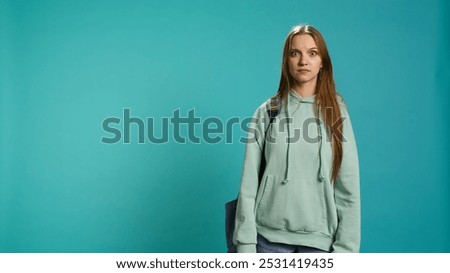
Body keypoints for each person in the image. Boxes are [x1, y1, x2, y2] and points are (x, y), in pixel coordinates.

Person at [233, 24, 360, 253]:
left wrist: (347, 251)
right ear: (286, 61)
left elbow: (348, 188)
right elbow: (249, 184)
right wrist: (245, 244)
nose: (303, 61)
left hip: (321, 244)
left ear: (322, 63)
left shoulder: (336, 114)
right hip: (267, 242)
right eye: (295, 53)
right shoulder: (268, 111)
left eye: (312, 53)